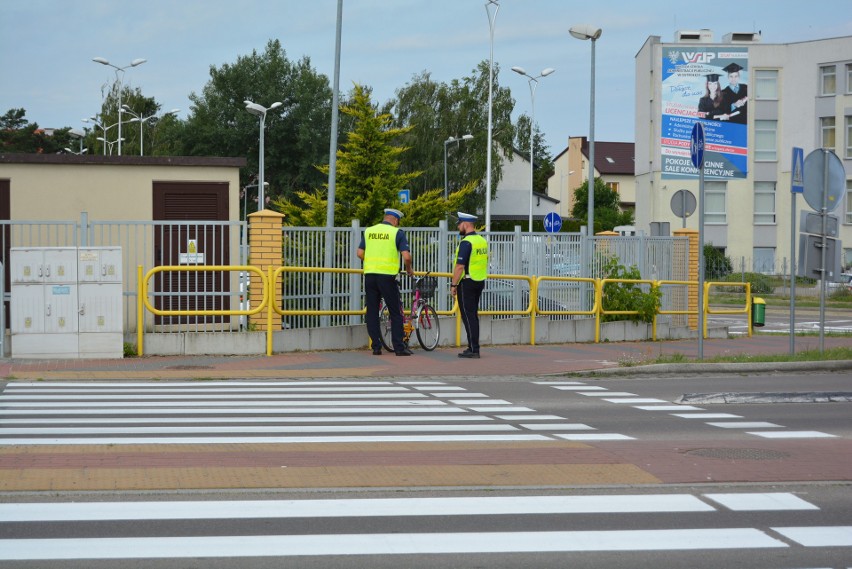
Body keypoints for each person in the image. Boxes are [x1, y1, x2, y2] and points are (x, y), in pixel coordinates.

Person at [356, 208, 414, 356]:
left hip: (370, 276)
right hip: (387, 277)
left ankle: (376, 347)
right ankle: (399, 348)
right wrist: (409, 269)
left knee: (373, 311)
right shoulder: (397, 233)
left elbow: (360, 253)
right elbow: (406, 257)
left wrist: (372, 262)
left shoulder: (369, 231)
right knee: (395, 312)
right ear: (395, 220)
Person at [450, 212, 488, 359]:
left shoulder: (466, 242)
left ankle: (474, 349)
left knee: (468, 316)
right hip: (479, 281)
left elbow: (460, 266)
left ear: (465, 224)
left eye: (459, 224)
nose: (459, 227)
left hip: (467, 282)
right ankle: (473, 347)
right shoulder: (481, 240)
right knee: (473, 315)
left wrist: (453, 284)